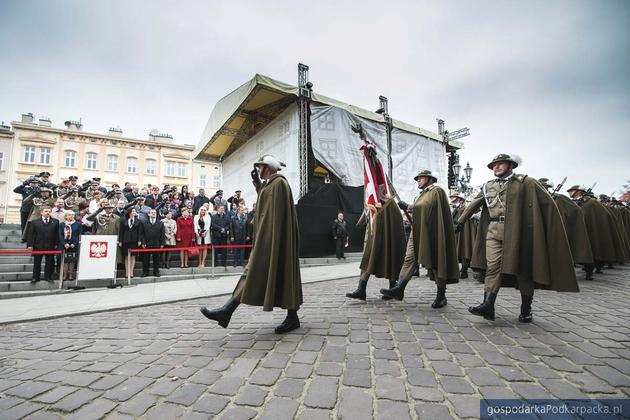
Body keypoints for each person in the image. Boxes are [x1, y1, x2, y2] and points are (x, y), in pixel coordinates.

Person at [456, 154, 578, 322]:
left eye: (500, 164)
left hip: (518, 231)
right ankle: (488, 305)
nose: (496, 167)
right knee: (492, 268)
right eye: (494, 165)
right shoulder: (487, 186)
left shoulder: (526, 182)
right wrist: (459, 223)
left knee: (523, 269)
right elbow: (474, 204)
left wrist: (542, 225)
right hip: (493, 231)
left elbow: (547, 204)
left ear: (511, 165)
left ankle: (526, 308)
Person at [200, 154, 302, 334]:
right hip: (268, 238)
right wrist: (257, 183)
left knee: (263, 272)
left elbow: (275, 215)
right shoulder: (272, 184)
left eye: (260, 167)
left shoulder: (279, 184)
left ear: (268, 167)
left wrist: (269, 239)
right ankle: (227, 311)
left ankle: (227, 311)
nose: (258, 170)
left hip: (272, 239)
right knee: (270, 273)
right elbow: (266, 200)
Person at [380, 170, 459, 307]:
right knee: (409, 259)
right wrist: (411, 208)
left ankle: (441, 296)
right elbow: (420, 210)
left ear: (429, 179)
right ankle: (400, 288)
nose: (418, 181)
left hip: (431, 233)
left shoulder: (436, 191)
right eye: (417, 179)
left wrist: (409, 207)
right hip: (416, 232)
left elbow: (427, 208)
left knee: (435, 262)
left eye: (421, 178)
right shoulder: (420, 195)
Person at [539, 179, 594, 279]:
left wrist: (566, 221)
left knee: (575, 251)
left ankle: (588, 270)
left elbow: (576, 210)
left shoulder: (559, 198)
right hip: (547, 228)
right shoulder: (542, 198)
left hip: (562, 228)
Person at [568, 185, 628, 275]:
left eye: (572, 191)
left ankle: (592, 270)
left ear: (578, 191)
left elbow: (603, 215)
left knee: (593, 250)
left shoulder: (592, 202)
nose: (570, 193)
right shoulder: (575, 202)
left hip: (591, 229)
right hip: (580, 229)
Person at [27, 206, 59, 283]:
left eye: (49, 211)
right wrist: (30, 245)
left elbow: (57, 234)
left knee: (50, 262)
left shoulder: (55, 221)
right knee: (37, 262)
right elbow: (31, 234)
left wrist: (56, 244)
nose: (48, 213)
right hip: (38, 245)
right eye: (46, 211)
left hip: (50, 246)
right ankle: (35, 277)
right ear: (41, 212)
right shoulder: (35, 222)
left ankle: (48, 277)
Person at [450, 192, 476, 279]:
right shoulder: (455, 207)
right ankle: (459, 270)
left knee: (464, 250)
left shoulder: (464, 207)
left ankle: (464, 270)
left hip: (464, 231)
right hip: (456, 231)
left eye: (454, 197)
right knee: (458, 250)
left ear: (459, 198)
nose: (451, 198)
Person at [118, 207, 143, 278]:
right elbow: (121, 231)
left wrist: (139, 240)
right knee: (126, 257)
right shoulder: (123, 220)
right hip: (125, 240)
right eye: (133, 211)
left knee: (133, 256)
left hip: (134, 241)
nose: (134, 213)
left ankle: (131, 272)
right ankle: (127, 272)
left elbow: (139, 232)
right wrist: (120, 240)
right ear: (129, 212)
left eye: (135, 211)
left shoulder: (138, 221)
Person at [58, 210, 81, 282]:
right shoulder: (62, 224)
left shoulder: (78, 224)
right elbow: (60, 235)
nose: (71, 216)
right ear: (66, 216)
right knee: (65, 261)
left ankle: (71, 275)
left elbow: (79, 235)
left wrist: (74, 243)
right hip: (64, 245)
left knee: (72, 261)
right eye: (69, 215)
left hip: (74, 245)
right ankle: (65, 275)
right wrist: (64, 243)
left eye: (72, 215)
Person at [141, 209, 164, 277]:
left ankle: (156, 272)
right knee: (145, 259)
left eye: (155, 213)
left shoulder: (160, 223)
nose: (153, 214)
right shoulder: (144, 223)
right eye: (152, 213)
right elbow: (142, 234)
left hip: (156, 243)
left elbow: (162, 234)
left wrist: (162, 243)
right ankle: (145, 272)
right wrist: (143, 242)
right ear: (149, 214)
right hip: (146, 243)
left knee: (156, 259)